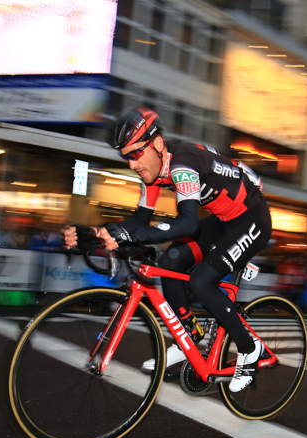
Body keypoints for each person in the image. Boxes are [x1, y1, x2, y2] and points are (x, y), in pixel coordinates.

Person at [63, 107, 272, 392]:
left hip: (252, 219)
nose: (132, 164)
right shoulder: (154, 171)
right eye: (126, 157)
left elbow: (187, 223)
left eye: (135, 154)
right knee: (170, 263)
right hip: (222, 221)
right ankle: (190, 334)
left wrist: (129, 233)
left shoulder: (182, 163)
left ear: (158, 144)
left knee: (201, 280)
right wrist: (96, 232)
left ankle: (251, 349)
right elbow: (139, 222)